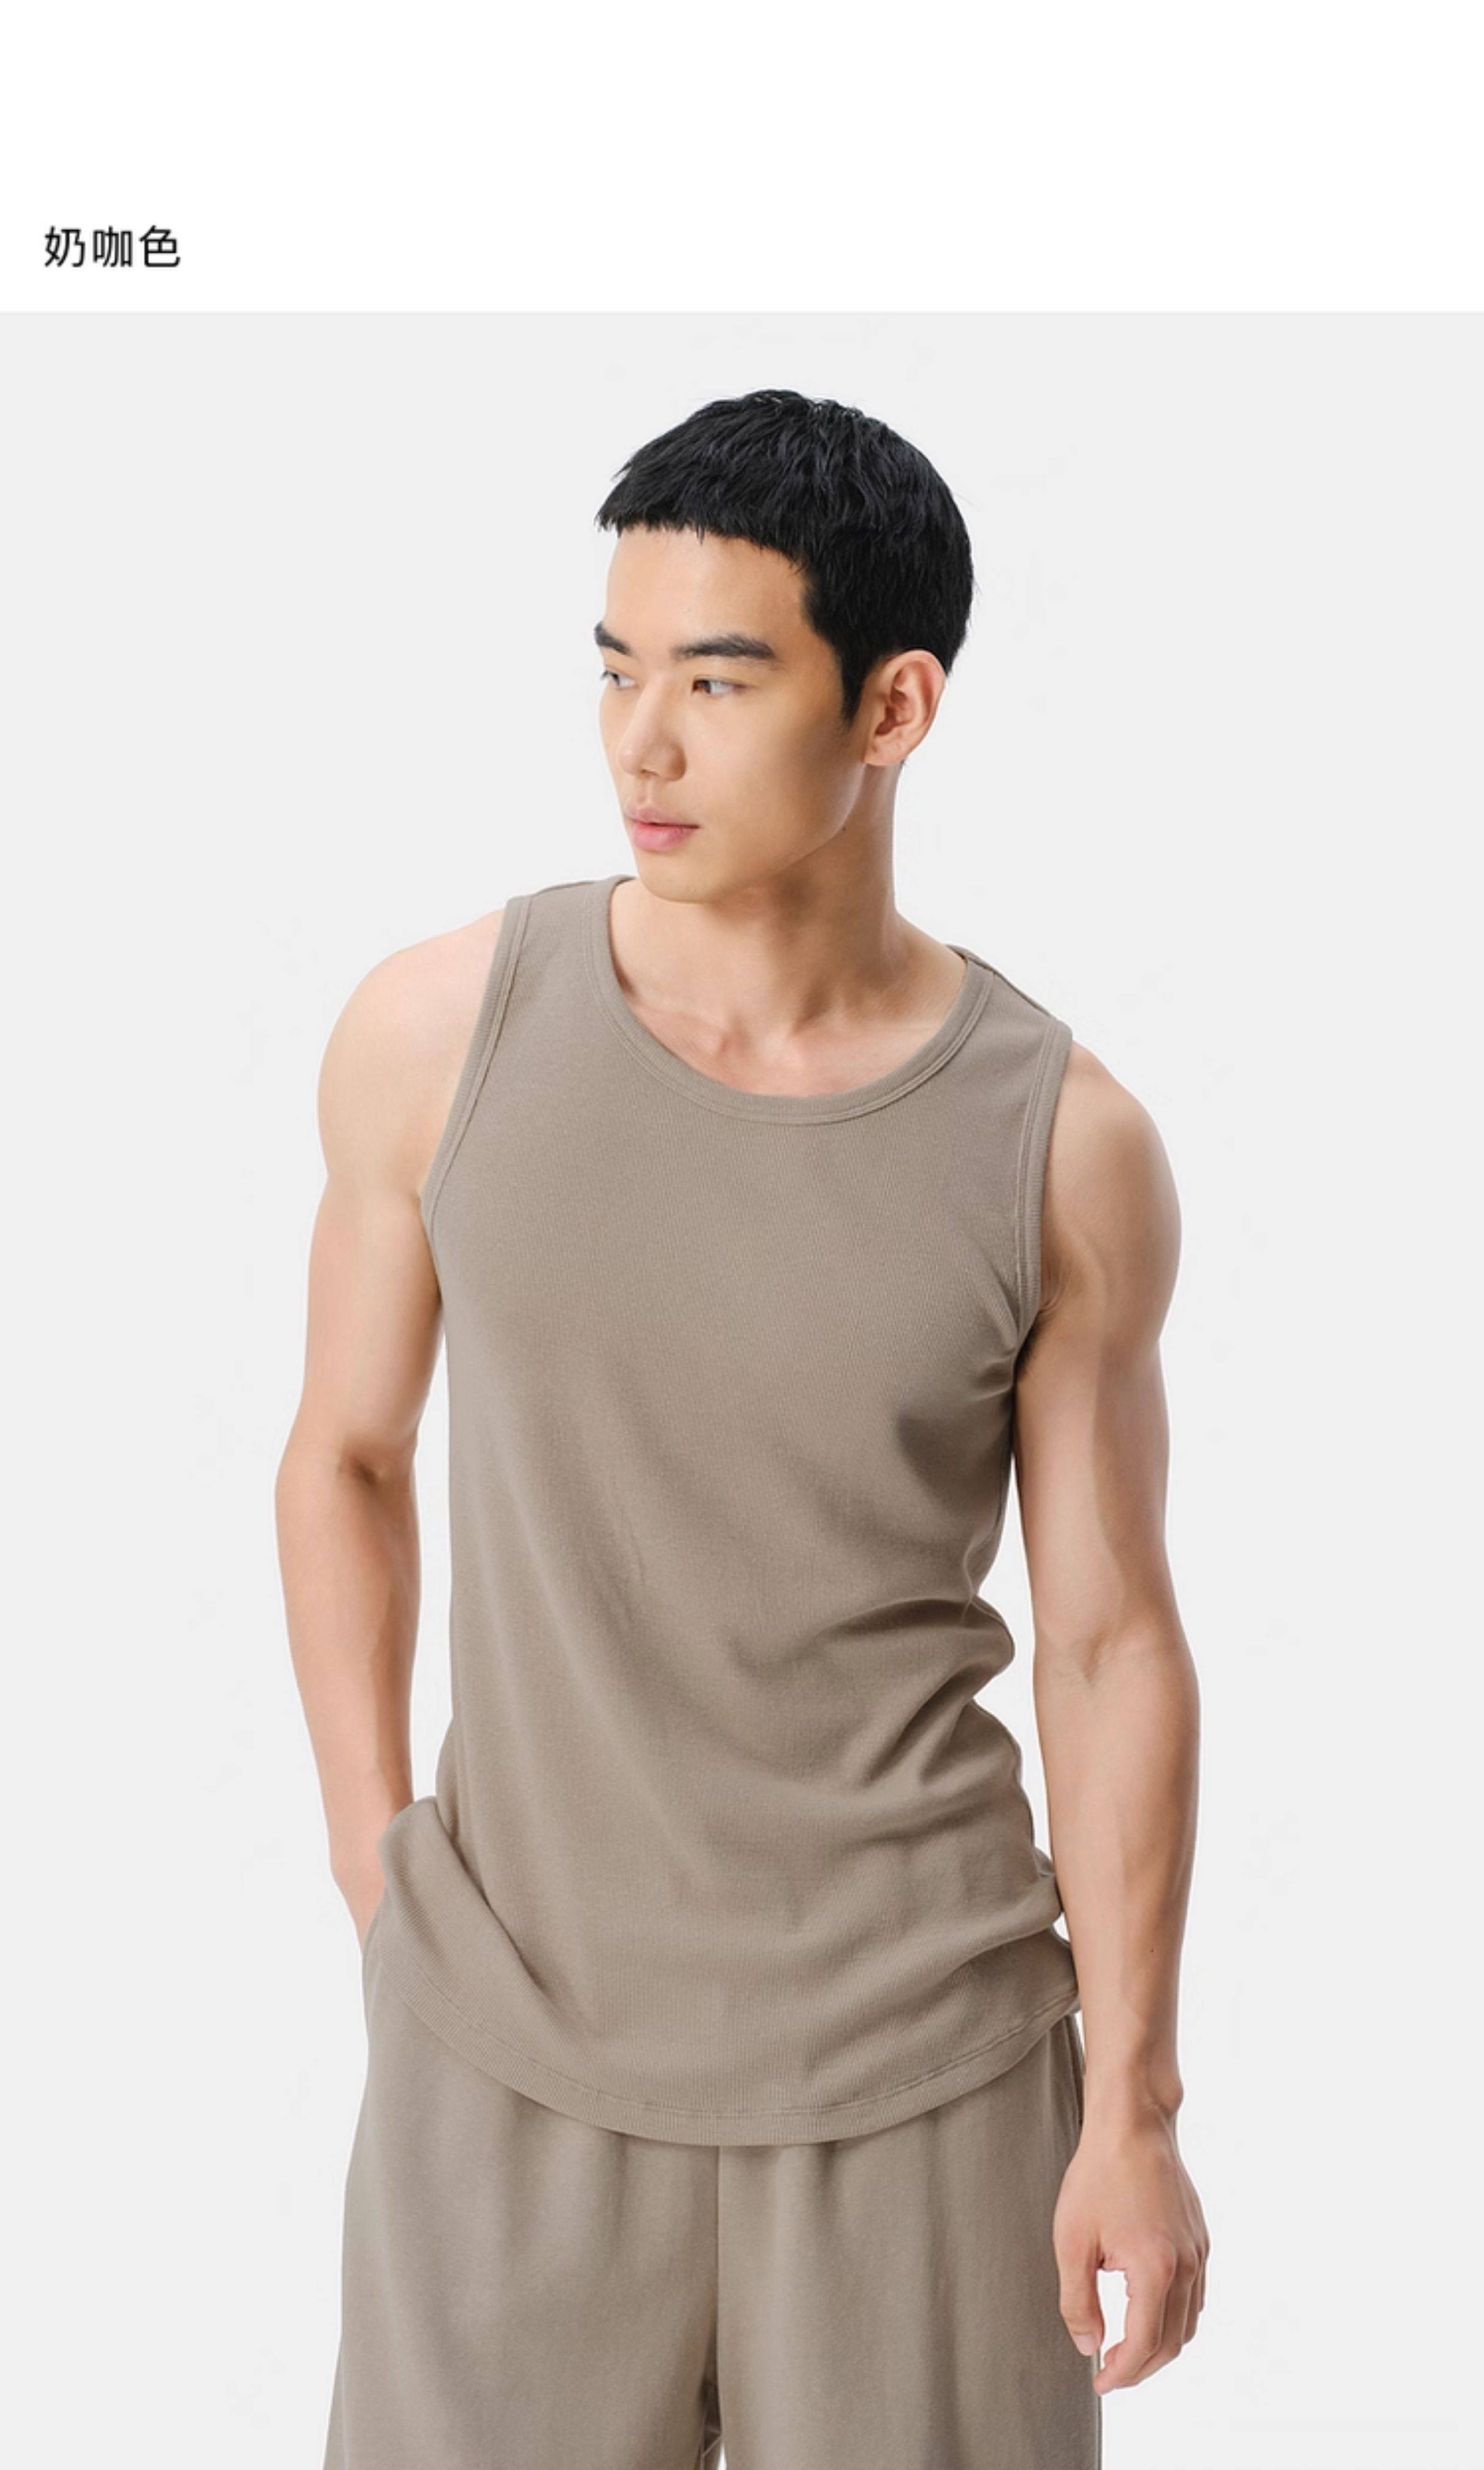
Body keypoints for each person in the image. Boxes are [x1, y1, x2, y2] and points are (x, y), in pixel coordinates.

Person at [275, 386, 1209, 2469]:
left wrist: (1135, 2108)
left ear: (894, 707)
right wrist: (375, 1864)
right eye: (614, 669)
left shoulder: (1063, 1144)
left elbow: (1107, 1639)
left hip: (925, 2068)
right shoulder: (438, 1036)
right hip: (506, 2044)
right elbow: (345, 1457)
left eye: (715, 680)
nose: (642, 743)